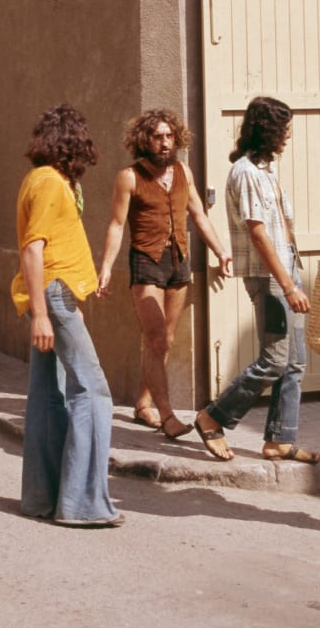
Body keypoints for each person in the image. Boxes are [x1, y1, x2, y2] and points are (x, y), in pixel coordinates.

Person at [188, 96, 314, 464]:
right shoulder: (244, 172)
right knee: (274, 361)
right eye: (283, 128)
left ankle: (280, 439)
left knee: (295, 362)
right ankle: (214, 415)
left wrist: (293, 277)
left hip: (287, 270)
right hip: (270, 278)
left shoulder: (265, 169)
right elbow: (258, 234)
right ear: (267, 130)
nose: (287, 136)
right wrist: (288, 287)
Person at [14, 104, 121, 527]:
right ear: (75, 145)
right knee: (93, 393)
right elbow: (31, 248)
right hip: (54, 297)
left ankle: (43, 497)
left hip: (55, 295)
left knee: (46, 395)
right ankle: (83, 504)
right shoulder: (50, 185)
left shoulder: (41, 180)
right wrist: (42, 314)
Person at [97, 109, 231, 436]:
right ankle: (168, 416)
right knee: (155, 337)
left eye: (169, 136)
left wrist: (220, 250)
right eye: (157, 136)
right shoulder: (129, 176)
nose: (164, 143)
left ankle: (143, 404)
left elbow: (199, 215)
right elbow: (116, 225)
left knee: (165, 340)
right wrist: (105, 269)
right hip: (146, 262)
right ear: (145, 139)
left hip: (178, 262)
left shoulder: (184, 171)